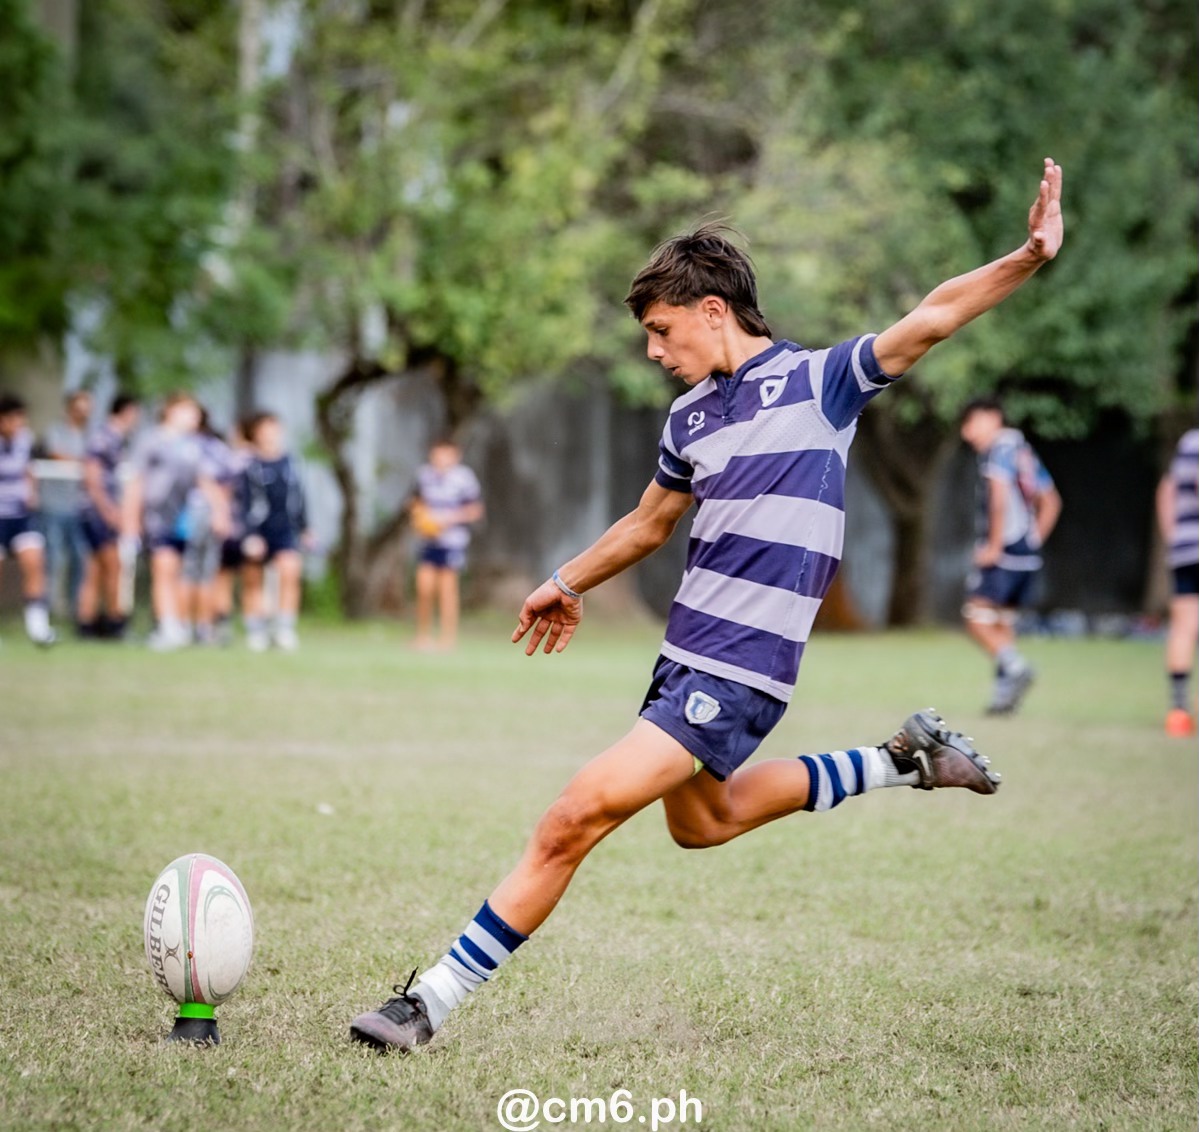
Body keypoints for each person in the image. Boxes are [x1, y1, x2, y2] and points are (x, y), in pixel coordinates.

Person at [348, 157, 1065, 1053]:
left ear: (712, 311)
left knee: (573, 815)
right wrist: (565, 580)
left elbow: (932, 316)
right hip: (684, 656)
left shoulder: (820, 383)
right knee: (704, 822)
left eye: (661, 329)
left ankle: (428, 1004)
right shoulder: (688, 418)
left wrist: (1027, 256)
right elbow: (648, 525)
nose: (653, 349)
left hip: (741, 665)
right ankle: (901, 761)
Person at [959, 396, 1061, 714]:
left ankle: (1016, 669)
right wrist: (1033, 539)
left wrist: (994, 544)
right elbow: (1053, 501)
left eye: (971, 422)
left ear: (993, 417)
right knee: (1000, 623)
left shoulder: (1000, 448)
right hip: (1025, 554)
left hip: (1003, 551)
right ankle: (1004, 698)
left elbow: (999, 497)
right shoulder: (1023, 450)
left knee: (975, 618)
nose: (967, 433)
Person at [121, 392, 228, 651]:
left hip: (182, 518)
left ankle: (176, 624)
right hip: (156, 516)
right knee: (164, 568)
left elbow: (206, 481)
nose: (194, 417)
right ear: (170, 411)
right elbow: (136, 482)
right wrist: (130, 523)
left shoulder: (193, 445)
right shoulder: (152, 440)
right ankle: (168, 627)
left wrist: (220, 511)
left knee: (177, 570)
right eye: (188, 411)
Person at [237, 411, 309, 651]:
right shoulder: (250, 466)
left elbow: (299, 498)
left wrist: (306, 527)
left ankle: (284, 627)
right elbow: (244, 502)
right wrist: (249, 534)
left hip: (285, 528)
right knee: (253, 580)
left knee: (290, 571)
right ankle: (256, 630)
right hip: (258, 530)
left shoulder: (291, 462)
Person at [78, 392, 142, 639]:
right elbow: (92, 477)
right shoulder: (105, 437)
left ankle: (87, 623)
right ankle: (115, 623)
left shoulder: (116, 438)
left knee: (94, 569)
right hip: (97, 512)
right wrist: (109, 510)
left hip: (97, 511)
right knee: (113, 566)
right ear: (126, 412)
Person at [411, 439, 484, 650]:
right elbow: (415, 503)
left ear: (455, 455)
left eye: (446, 454)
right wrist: (420, 519)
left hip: (453, 542)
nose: (441, 459)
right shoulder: (424, 476)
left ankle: (447, 638)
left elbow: (475, 510)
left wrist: (448, 519)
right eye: (437, 454)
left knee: (447, 589)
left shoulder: (464, 478)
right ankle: (423, 636)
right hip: (429, 541)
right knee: (424, 588)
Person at [0, 393, 57, 646]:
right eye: (14, 419)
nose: (19, 424)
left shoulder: (26, 440)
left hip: (21, 516)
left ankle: (38, 627)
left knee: (34, 561)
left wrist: (31, 492)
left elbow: (29, 469)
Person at [1156, 427, 1199, 737]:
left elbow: (1167, 488)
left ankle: (1179, 710)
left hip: (1186, 547)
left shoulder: (1189, 440)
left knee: (1183, 626)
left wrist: (1173, 535)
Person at [39, 389, 93, 619]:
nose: (84, 412)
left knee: (81, 559)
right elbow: (55, 454)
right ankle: (47, 609)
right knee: (53, 559)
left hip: (79, 508)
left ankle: (74, 611)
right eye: (80, 407)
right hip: (54, 506)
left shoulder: (90, 435)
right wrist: (84, 463)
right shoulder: (56, 431)